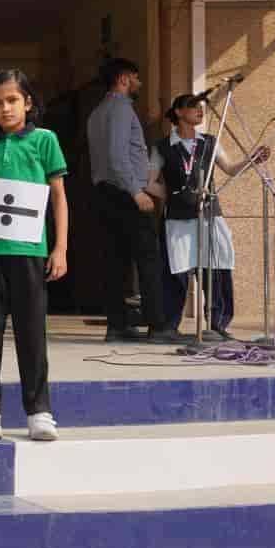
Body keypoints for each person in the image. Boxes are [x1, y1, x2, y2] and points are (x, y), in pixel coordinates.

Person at [0, 69, 68, 443]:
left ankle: (39, 410)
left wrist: (60, 247)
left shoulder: (45, 140)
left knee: (31, 333)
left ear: (27, 102)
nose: (5, 108)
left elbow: (59, 197)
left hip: (29, 250)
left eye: (12, 100)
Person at [148, 94, 268, 341]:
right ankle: (168, 326)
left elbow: (231, 168)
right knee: (176, 272)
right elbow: (148, 183)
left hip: (209, 215)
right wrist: (172, 196)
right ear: (179, 112)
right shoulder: (162, 146)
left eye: (201, 106)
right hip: (178, 219)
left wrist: (252, 160)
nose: (200, 110)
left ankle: (217, 324)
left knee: (216, 267)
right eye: (193, 106)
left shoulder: (210, 142)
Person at [88, 57, 180, 344]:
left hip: (105, 193)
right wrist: (137, 192)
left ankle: (117, 326)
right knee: (148, 259)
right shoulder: (120, 109)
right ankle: (158, 326)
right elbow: (118, 156)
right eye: (136, 78)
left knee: (115, 262)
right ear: (124, 79)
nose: (139, 83)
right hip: (126, 194)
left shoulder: (97, 112)